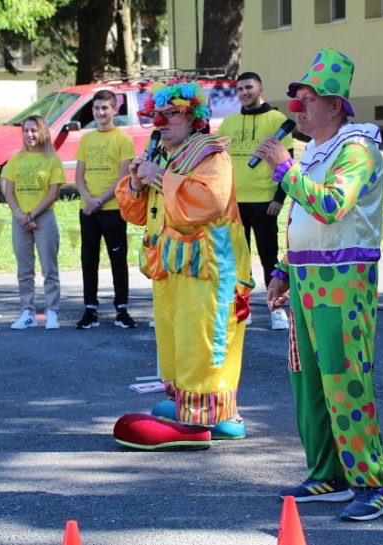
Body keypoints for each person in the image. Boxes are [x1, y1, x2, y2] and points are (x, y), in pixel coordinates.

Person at [255, 48, 383, 522]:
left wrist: (285, 169)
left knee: (344, 380)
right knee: (308, 381)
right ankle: (328, 473)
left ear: (334, 105)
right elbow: (300, 218)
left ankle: (371, 483)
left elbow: (331, 206)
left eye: (308, 100)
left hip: (343, 278)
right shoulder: (315, 151)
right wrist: (282, 270)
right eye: (297, 100)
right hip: (307, 278)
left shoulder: (357, 149)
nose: (298, 109)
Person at [113, 80, 253, 447]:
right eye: (156, 115)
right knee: (176, 338)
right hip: (172, 266)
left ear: (193, 117)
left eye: (171, 114)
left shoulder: (210, 155)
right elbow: (137, 213)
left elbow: (210, 201)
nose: (160, 122)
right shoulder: (162, 153)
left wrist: (158, 177)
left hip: (210, 268)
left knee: (206, 338)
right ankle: (191, 407)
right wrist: (137, 182)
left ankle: (208, 417)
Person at [217, 71, 293, 330]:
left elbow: (288, 162)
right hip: (234, 203)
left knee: (269, 257)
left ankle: (277, 309)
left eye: (248, 87)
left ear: (260, 88)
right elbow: (219, 163)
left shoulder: (277, 120)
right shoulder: (228, 123)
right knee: (239, 258)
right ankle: (242, 308)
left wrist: (279, 198)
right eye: (239, 89)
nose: (244, 92)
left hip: (265, 203)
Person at [74, 90, 136, 329]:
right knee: (88, 259)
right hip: (88, 210)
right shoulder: (86, 140)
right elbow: (79, 175)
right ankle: (90, 309)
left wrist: (99, 200)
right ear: (92, 111)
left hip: (112, 209)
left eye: (105, 108)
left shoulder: (122, 140)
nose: (101, 112)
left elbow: (123, 177)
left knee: (117, 259)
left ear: (114, 110)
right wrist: (88, 199)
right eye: (97, 108)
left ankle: (121, 308)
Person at [2, 115, 64, 330]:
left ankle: (52, 311)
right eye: (26, 131)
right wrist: (20, 214)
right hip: (20, 218)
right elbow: (8, 191)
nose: (30, 135)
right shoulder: (16, 159)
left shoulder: (52, 160)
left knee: (49, 267)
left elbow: (53, 193)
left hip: (43, 217)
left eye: (34, 130)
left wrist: (32, 215)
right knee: (24, 269)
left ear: (42, 133)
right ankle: (27, 311)